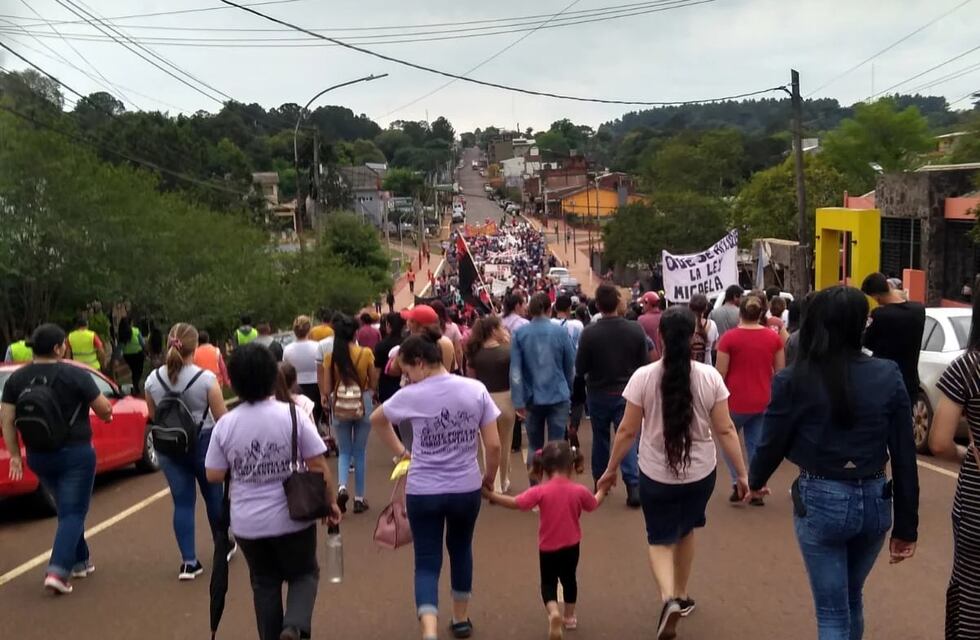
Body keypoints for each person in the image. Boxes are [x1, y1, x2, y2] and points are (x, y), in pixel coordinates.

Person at [748, 286, 919, 640]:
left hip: (822, 497)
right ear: (862, 325)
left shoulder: (794, 377)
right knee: (850, 598)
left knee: (831, 611)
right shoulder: (887, 373)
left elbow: (772, 439)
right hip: (875, 498)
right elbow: (904, 456)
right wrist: (906, 526)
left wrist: (756, 479)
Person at [597, 306, 749, 640]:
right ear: (694, 335)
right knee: (686, 529)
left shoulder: (643, 377)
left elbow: (626, 431)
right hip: (700, 474)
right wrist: (742, 474)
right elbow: (725, 430)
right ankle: (681, 594)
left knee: (659, 538)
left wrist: (610, 470)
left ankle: (668, 599)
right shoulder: (710, 377)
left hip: (655, 473)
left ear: (660, 337)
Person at [369, 330, 502, 640]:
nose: (407, 378)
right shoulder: (475, 389)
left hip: (423, 488)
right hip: (465, 485)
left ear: (420, 363)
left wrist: (403, 452)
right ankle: (460, 619)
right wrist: (489, 479)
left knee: (427, 561)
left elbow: (377, 419)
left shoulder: (410, 396)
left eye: (407, 371)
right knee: (461, 549)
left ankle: (429, 630)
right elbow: (493, 446)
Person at [205, 343, 341, 640]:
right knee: (304, 573)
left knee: (264, 584)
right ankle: (293, 626)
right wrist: (330, 503)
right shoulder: (293, 415)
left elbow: (213, 474)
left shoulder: (225, 425)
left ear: (233, 382)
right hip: (293, 516)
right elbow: (318, 464)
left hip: (248, 523)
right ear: (272, 375)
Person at [0, 323, 113, 595]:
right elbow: (103, 408)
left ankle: (80, 561)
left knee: (66, 507)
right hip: (75, 453)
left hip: (39, 455)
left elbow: (7, 420)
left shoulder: (17, 378)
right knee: (74, 511)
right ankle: (58, 570)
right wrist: (107, 414)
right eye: (64, 344)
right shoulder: (74, 374)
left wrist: (15, 454)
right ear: (58, 348)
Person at [484, 441, 606, 639]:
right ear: (571, 465)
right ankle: (569, 616)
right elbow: (593, 503)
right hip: (572, 545)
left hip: (548, 547)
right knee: (569, 580)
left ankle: (553, 612)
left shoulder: (540, 491)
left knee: (548, 583)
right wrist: (603, 488)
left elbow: (516, 503)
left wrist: (492, 495)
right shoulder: (579, 490)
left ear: (545, 467)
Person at [144, 323, 230, 580]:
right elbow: (221, 418)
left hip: (169, 446)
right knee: (214, 497)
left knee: (182, 503)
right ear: (195, 347)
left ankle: (188, 562)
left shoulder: (152, 380)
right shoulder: (205, 379)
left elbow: (152, 414)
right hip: (203, 442)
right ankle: (222, 546)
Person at [927, 279, 980, 638]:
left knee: (972, 586)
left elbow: (940, 442)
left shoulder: (968, 366)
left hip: (976, 497)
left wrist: (966, 453)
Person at [576, 284, 649, 506]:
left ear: (597, 305)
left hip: (598, 392)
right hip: (627, 391)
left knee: (601, 439)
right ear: (618, 302)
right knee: (626, 436)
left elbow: (581, 367)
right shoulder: (635, 330)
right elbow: (643, 363)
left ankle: (600, 481)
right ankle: (633, 484)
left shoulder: (589, 332)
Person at [715, 290, 785, 505]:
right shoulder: (773, 337)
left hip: (734, 399)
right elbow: (780, 370)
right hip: (763, 398)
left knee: (728, 441)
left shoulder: (729, 338)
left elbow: (720, 372)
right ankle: (756, 485)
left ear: (740, 313)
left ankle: (739, 482)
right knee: (756, 444)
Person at [511, 293, 575, 478]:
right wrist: (568, 389)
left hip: (532, 397)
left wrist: (518, 399)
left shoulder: (520, 334)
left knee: (534, 446)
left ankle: (535, 490)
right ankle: (556, 489)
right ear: (549, 309)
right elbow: (569, 365)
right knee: (556, 445)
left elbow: (515, 370)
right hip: (558, 393)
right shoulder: (561, 332)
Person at [322, 314, 378, 514]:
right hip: (362, 402)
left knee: (344, 451)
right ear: (355, 333)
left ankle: (342, 486)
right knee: (360, 452)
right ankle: (359, 498)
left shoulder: (331, 357)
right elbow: (373, 382)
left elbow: (327, 387)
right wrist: (370, 393)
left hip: (340, 403)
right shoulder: (366, 353)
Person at [466, 315, 517, 493]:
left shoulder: (474, 353)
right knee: (505, 443)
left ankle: (491, 482)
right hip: (506, 399)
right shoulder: (508, 350)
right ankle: (503, 482)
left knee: (488, 444)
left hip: (483, 400)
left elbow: (471, 380)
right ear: (494, 330)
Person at [861, 272, 926, 403]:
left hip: (884, 382)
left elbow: (866, 342)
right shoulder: (919, 310)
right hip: (910, 382)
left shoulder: (880, 315)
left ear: (875, 296)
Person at [283, 315, 323, 429]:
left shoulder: (287, 349)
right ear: (309, 329)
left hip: (295, 386)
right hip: (316, 385)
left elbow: (285, 368)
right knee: (314, 417)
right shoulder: (317, 346)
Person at [375, 312, 407, 406]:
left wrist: (374, 389)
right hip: (405, 385)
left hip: (386, 386)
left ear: (388, 325)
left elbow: (377, 370)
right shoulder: (408, 343)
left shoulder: (380, 345)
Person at [688, 294, 719, 366]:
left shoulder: (685, 324)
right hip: (707, 366)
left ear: (689, 307)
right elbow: (714, 346)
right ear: (706, 308)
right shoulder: (712, 325)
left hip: (689, 367)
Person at [117, 317, 146, 393]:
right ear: (130, 323)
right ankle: (136, 385)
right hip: (138, 354)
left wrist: (117, 357)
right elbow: (142, 343)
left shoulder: (121, 333)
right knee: (138, 371)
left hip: (128, 356)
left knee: (134, 371)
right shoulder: (135, 331)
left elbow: (120, 347)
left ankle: (135, 385)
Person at [637, 291, 664, 358]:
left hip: (650, 359)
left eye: (643, 304)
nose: (642, 307)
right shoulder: (665, 316)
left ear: (647, 303)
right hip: (665, 359)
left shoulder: (641, 320)